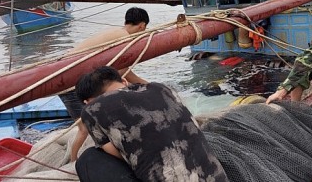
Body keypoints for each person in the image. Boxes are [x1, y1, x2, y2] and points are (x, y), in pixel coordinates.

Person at [75, 66, 228, 182]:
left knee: (88, 158)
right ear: (124, 82)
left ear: (87, 102)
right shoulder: (161, 88)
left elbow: (118, 154)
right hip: (216, 177)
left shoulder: (92, 109)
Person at [63, 7, 150, 161]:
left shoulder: (116, 32)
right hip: (69, 83)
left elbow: (116, 71)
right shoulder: (124, 38)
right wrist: (145, 83)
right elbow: (122, 70)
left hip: (70, 78)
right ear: (142, 26)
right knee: (83, 128)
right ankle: (73, 161)